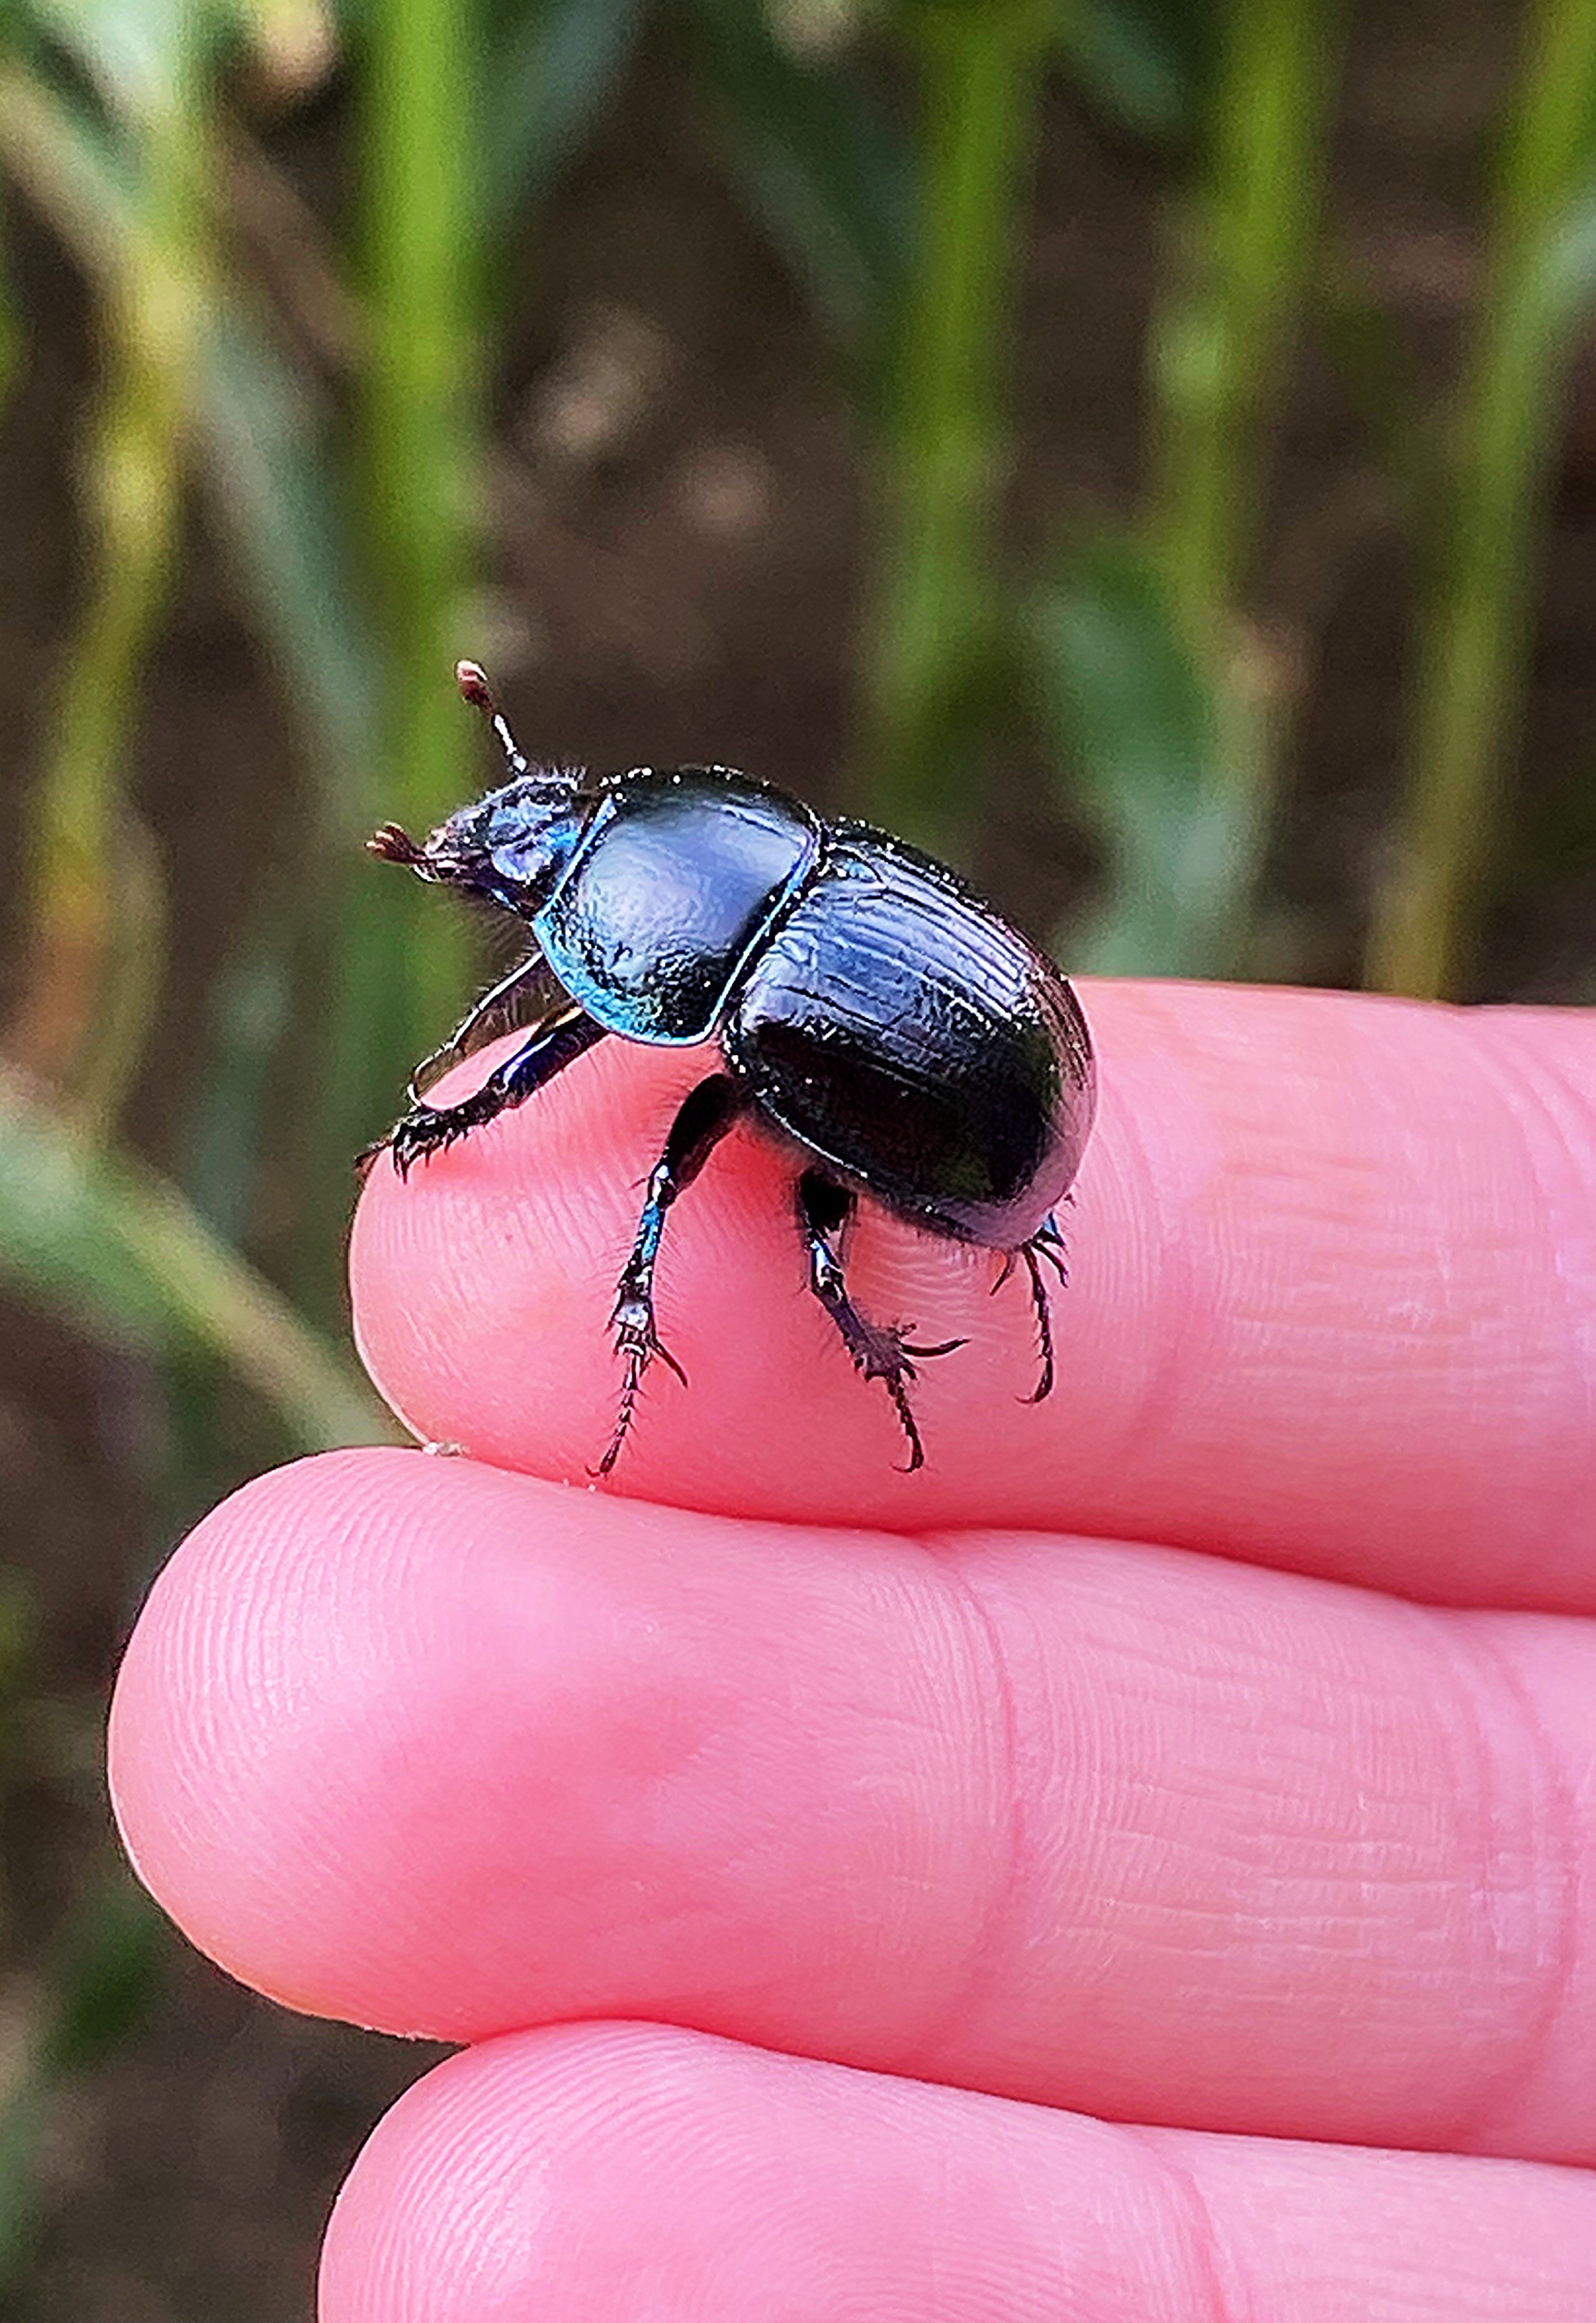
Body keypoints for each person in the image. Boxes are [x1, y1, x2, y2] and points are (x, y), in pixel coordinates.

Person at [109, 980, 1596, 2319]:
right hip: (1011, 1098)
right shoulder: (779, 922)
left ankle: (777, 1325)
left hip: (980, 1127)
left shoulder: (745, 1013)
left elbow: (621, 1106)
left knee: (783, 1240)